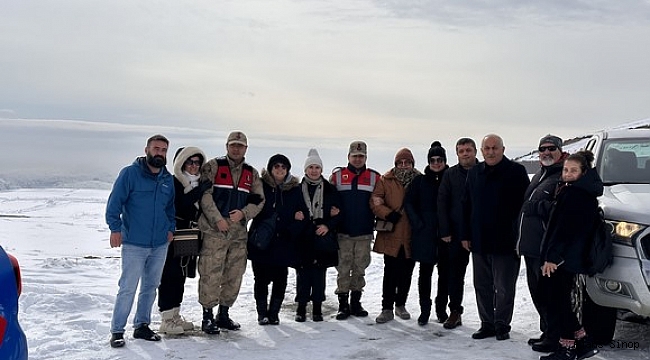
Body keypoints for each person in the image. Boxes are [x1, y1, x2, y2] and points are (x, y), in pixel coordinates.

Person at [105, 134, 175, 348]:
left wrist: (170, 228)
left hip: (159, 244)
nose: (159, 153)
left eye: (163, 150)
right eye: (156, 149)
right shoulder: (130, 174)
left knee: (150, 286)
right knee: (127, 287)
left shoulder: (167, 179)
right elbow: (114, 204)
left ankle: (142, 326)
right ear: (146, 150)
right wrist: (115, 229)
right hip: (134, 243)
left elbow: (170, 207)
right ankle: (117, 331)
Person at [461, 134, 530, 340]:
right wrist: (465, 234)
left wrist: (520, 237)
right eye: (487, 148)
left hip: (506, 241)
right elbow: (466, 205)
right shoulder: (475, 172)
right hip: (480, 239)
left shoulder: (516, 172)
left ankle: (502, 324)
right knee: (482, 285)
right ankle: (487, 324)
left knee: (504, 287)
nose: (490, 152)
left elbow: (524, 208)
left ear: (503, 149)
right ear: (481, 151)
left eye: (494, 148)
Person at [197, 131, 264, 334]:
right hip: (214, 231)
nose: (236, 149)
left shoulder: (251, 173)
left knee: (234, 274)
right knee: (210, 273)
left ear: (246, 148)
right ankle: (207, 316)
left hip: (238, 235)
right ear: (227, 146)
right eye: (233, 145)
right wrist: (218, 219)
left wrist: (243, 214)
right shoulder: (213, 167)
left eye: (240, 145)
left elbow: (259, 200)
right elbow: (205, 195)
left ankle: (223, 314)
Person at [539, 150, 602, 360]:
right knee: (560, 301)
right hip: (570, 257)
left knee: (556, 302)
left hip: (563, 258)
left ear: (583, 173)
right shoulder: (580, 192)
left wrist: (552, 258)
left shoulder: (575, 195)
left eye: (573, 170)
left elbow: (564, 230)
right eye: (565, 170)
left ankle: (568, 348)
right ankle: (582, 342)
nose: (567, 173)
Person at [515, 135, 567, 352]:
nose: (546, 152)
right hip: (531, 247)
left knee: (550, 296)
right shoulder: (542, 174)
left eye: (551, 148)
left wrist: (537, 207)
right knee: (538, 293)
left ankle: (556, 338)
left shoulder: (565, 175)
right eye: (542, 149)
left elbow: (563, 211)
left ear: (560, 151)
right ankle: (547, 332)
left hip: (547, 250)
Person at [157, 146, 211, 335]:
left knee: (181, 273)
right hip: (175, 233)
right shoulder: (173, 182)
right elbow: (180, 203)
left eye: (197, 162)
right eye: (190, 162)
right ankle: (166, 318)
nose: (194, 166)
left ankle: (175, 315)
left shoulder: (200, 183)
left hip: (191, 233)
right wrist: (199, 192)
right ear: (181, 163)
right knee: (169, 274)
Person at [248, 154, 306, 325]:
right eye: (276, 166)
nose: (280, 169)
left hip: (284, 242)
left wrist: (293, 228)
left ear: (287, 170)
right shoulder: (260, 186)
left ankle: (274, 313)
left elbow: (304, 215)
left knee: (280, 279)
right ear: (271, 168)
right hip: (262, 241)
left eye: (283, 167)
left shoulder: (295, 189)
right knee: (260, 279)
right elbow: (251, 205)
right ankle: (262, 313)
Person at [329, 141, 381, 320]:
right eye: (355, 156)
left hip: (364, 232)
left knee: (360, 268)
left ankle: (356, 302)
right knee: (343, 268)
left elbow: (380, 200)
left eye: (361, 156)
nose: (358, 159)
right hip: (342, 232)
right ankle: (343, 304)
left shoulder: (374, 177)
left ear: (366, 157)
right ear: (348, 157)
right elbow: (328, 199)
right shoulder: (337, 176)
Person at [372, 148, 421, 323]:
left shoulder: (419, 180)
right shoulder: (386, 180)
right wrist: (387, 213)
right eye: (400, 162)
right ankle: (386, 308)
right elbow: (376, 200)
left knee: (407, 272)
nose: (403, 165)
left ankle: (400, 304)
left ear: (412, 163)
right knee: (390, 272)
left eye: (407, 162)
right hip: (391, 233)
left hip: (412, 234)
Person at [404, 141, 448, 325]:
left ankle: (441, 309)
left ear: (445, 161)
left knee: (445, 274)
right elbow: (409, 203)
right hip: (424, 234)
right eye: (433, 160)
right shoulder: (420, 181)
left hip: (446, 234)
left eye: (439, 160)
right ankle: (425, 310)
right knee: (425, 274)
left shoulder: (450, 178)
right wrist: (418, 223)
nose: (436, 163)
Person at [294, 149, 340, 322]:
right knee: (303, 274)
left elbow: (339, 213)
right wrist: (296, 217)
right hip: (304, 235)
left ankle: (318, 309)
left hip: (322, 236)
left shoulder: (330, 189)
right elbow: (292, 210)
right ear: (305, 170)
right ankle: (301, 307)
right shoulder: (297, 189)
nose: (314, 170)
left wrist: (328, 225)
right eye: (311, 167)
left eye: (317, 167)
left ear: (321, 170)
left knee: (319, 274)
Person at [437, 137, 478, 330]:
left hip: (480, 232)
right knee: (455, 275)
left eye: (468, 150)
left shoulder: (484, 171)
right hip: (455, 233)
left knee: (487, 277)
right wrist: (445, 230)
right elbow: (442, 202)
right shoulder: (450, 174)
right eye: (461, 151)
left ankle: (492, 317)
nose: (465, 154)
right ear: (457, 154)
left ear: (475, 151)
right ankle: (455, 311)